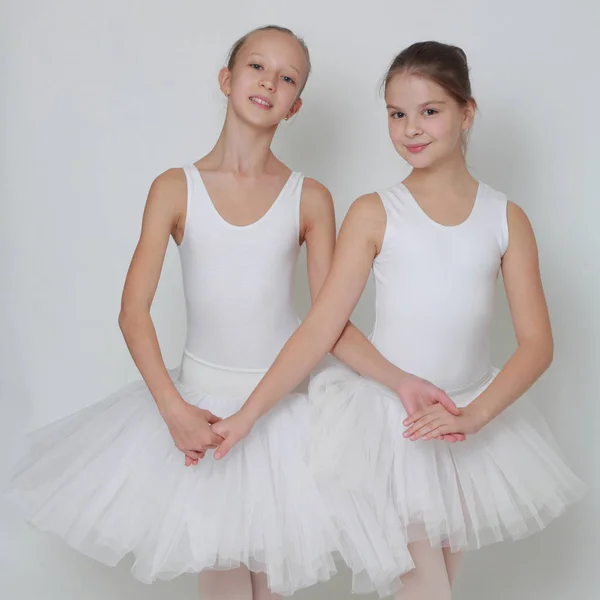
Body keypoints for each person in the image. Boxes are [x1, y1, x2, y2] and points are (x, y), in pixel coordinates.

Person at [8, 28, 459, 599]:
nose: (270, 82)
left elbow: (330, 325)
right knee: (222, 582)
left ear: (296, 105)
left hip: (281, 415)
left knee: (272, 586)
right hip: (199, 411)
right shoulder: (176, 188)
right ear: (227, 79)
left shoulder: (310, 197)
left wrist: (401, 382)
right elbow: (133, 312)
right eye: (256, 67)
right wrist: (172, 410)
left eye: (287, 77)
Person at [211, 41, 587, 600]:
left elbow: (537, 344)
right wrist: (245, 417)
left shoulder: (505, 218)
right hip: (390, 431)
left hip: (465, 429)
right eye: (396, 113)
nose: (411, 128)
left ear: (467, 112)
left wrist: (474, 416)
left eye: (429, 111)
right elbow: (322, 327)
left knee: (439, 586)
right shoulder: (375, 212)